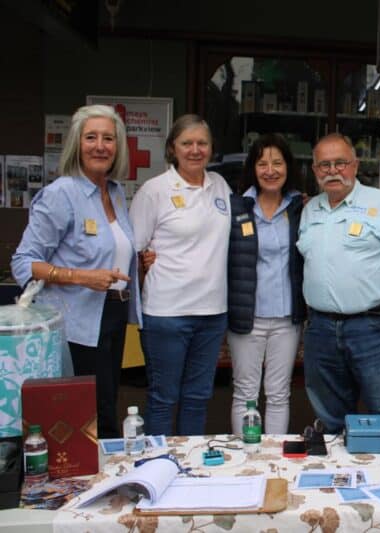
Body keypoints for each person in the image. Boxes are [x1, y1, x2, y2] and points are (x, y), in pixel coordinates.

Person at [11, 104, 141, 439]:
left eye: (109, 138)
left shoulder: (114, 192)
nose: (100, 146)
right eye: (91, 137)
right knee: (87, 418)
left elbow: (112, 249)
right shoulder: (61, 194)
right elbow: (23, 263)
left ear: (118, 146)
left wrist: (140, 260)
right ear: (76, 144)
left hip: (113, 313)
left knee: (107, 405)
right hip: (76, 322)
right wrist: (83, 277)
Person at [296, 133, 380, 433]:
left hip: (374, 329)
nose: (332, 171)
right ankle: (341, 478)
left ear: (355, 165)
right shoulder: (310, 210)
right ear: (314, 171)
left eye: (340, 163)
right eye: (324, 165)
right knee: (330, 420)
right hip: (322, 330)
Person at [129, 114, 231, 436]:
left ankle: (189, 469)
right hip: (166, 313)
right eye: (187, 143)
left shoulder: (221, 186)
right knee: (163, 398)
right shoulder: (154, 191)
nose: (195, 150)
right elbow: (133, 247)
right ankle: (158, 467)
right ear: (173, 148)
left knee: (198, 398)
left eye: (202, 143)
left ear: (212, 148)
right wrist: (145, 264)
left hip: (212, 313)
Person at [227, 133, 306, 436]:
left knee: (278, 393)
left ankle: (272, 459)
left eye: (277, 162)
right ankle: (245, 458)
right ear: (253, 168)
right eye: (262, 163)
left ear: (288, 167)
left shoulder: (300, 208)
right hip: (248, 316)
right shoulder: (237, 208)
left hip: (287, 318)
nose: (270, 170)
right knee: (245, 393)